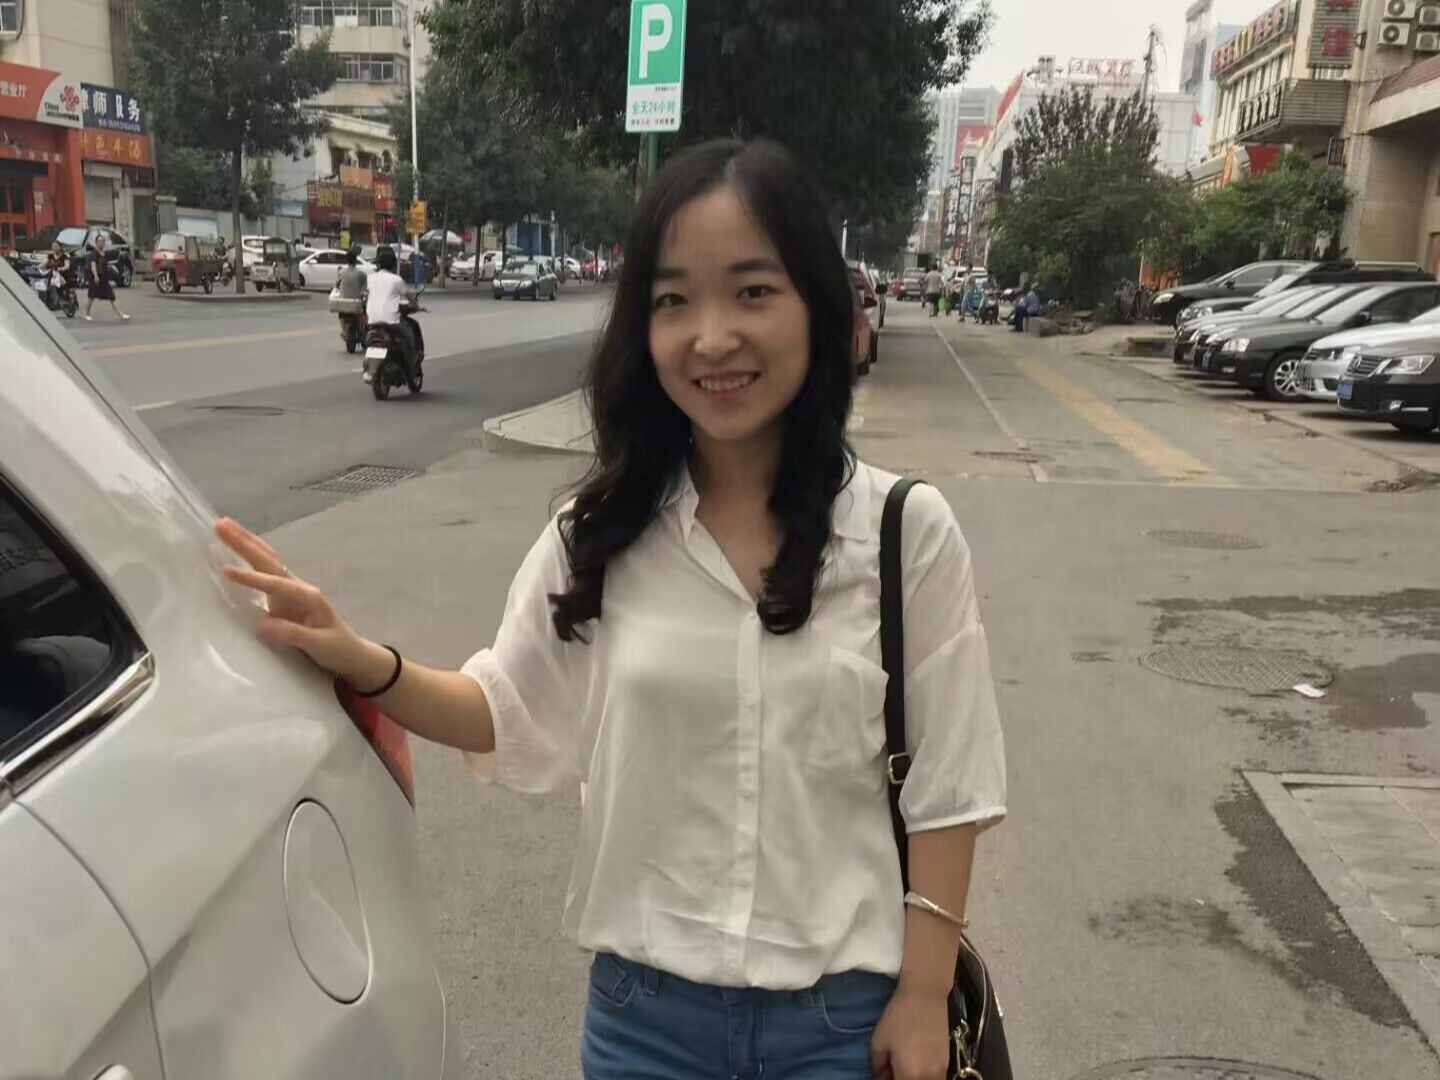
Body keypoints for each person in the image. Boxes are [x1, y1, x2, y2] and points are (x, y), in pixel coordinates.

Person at [215, 138, 1006, 1080]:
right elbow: (502, 705)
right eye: (674, 301)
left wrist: (923, 994)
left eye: (753, 291)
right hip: (646, 1031)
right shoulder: (600, 534)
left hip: (841, 1030)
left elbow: (947, 787)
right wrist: (361, 658)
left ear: (817, 306)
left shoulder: (903, 534)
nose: (712, 336)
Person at [362, 244, 414, 382]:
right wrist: (414, 303)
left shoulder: (370, 278)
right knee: (409, 336)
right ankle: (410, 367)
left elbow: (366, 295)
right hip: (391, 322)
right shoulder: (396, 280)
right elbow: (408, 294)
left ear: (379, 264)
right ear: (394, 264)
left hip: (372, 321)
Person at [83, 233, 130, 322]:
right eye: (99, 241)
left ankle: (121, 314)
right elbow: (93, 265)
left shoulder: (104, 253)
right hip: (96, 278)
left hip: (104, 279)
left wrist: (113, 268)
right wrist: (95, 276)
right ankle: (86, 314)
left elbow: (106, 264)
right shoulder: (94, 253)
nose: (101, 243)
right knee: (91, 297)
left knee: (112, 296)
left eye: (103, 241)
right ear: (96, 243)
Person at [41, 240, 70, 309]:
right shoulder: (50, 256)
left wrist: (60, 269)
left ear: (60, 247)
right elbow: (44, 263)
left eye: (56, 246)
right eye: (53, 246)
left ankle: (56, 301)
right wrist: (40, 266)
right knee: (45, 284)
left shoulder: (64, 257)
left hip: (62, 276)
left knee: (53, 284)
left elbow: (67, 266)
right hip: (52, 275)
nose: (54, 248)